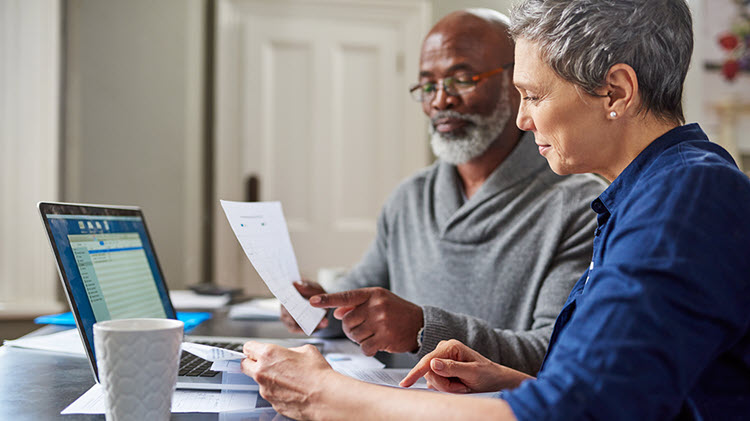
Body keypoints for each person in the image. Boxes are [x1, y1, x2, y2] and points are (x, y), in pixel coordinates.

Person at [241, 0, 750, 419]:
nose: (523, 119)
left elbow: (576, 412)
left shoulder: (684, 199)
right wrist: (511, 380)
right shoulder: (648, 193)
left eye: (531, 95)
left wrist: (325, 395)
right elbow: (623, 391)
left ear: (615, 91)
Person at [281, 8, 606, 375]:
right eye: (428, 85)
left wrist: (424, 329)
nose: (440, 101)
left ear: (517, 82)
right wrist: (320, 306)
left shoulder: (580, 206)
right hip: (391, 403)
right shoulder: (410, 198)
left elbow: (554, 349)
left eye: (462, 79)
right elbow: (360, 300)